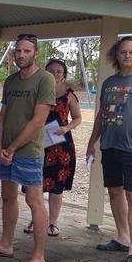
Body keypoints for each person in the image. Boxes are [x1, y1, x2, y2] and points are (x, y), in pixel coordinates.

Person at [0, 34, 55, 262]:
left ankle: (39, 256)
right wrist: (0, 145)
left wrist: (12, 149)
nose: (21, 55)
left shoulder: (45, 79)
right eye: (18, 51)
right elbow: (2, 116)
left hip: (29, 151)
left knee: (34, 201)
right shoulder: (11, 81)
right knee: (7, 197)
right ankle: (6, 244)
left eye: (26, 51)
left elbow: (39, 120)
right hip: (6, 151)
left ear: (36, 53)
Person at [86, 36, 132, 262]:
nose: (127, 56)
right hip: (110, 146)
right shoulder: (109, 82)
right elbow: (102, 115)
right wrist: (92, 142)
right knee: (114, 192)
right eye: (123, 52)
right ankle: (122, 238)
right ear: (117, 54)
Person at [23, 58, 81, 237]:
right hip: (36, 143)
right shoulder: (37, 90)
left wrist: (66, 128)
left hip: (60, 146)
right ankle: (37, 218)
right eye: (51, 70)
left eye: (59, 71)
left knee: (56, 187)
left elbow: (77, 118)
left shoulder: (69, 94)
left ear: (64, 74)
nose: (55, 74)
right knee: (34, 184)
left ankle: (52, 223)